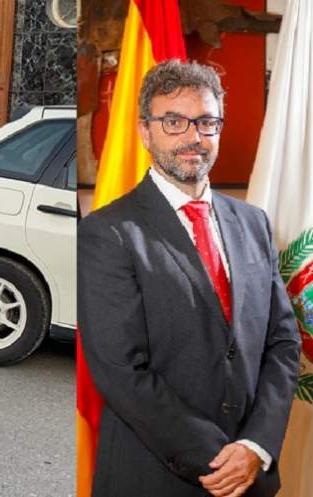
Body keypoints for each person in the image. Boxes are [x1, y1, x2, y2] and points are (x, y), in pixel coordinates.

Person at [78, 59, 301, 497]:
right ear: (145, 131)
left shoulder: (253, 222)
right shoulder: (109, 232)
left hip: (252, 471)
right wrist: (224, 461)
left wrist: (256, 446)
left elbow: (283, 342)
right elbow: (122, 371)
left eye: (206, 122)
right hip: (156, 475)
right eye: (174, 122)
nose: (193, 138)